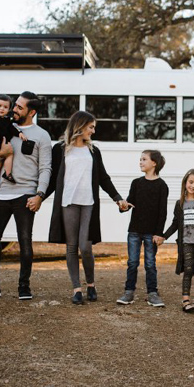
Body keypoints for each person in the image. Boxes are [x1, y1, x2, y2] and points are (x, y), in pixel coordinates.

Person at [0, 91, 52, 301]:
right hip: (1, 195)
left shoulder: (42, 136)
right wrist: (3, 153)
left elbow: (46, 168)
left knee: (25, 241)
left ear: (31, 112)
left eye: (19, 107)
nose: (13, 110)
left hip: (25, 195)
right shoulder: (1, 127)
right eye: (14, 105)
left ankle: (24, 287)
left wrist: (40, 195)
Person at [45, 111, 129, 305]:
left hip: (89, 203)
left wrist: (117, 198)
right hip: (68, 202)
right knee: (72, 247)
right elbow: (52, 180)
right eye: (91, 127)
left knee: (86, 246)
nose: (93, 130)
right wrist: (40, 196)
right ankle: (77, 289)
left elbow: (103, 177)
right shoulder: (60, 149)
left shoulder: (93, 151)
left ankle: (91, 283)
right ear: (80, 126)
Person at [116, 150, 169, 307]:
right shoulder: (136, 183)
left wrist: (159, 233)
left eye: (144, 159)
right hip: (134, 231)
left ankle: (152, 293)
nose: (140, 162)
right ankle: (128, 292)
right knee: (132, 262)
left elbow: (163, 212)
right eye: (140, 159)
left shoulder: (162, 186)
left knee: (150, 263)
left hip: (151, 233)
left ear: (154, 163)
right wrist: (123, 206)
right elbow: (128, 204)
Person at [156, 169, 194, 312]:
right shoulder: (180, 203)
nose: (193, 186)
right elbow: (175, 223)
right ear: (185, 183)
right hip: (185, 242)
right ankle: (185, 301)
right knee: (188, 269)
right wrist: (164, 236)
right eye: (191, 182)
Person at [0, 94, 27, 189]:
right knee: (0, 159)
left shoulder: (7, 120)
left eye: (5, 107)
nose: (2, 109)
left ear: (9, 109)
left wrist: (20, 133)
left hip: (2, 145)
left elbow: (12, 128)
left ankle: (4, 175)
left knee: (5, 158)